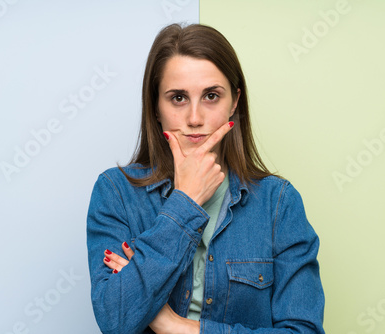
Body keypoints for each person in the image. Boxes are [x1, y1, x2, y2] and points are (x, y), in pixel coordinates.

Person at [87, 23, 325, 333]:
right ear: (156, 106)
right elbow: (115, 320)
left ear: (234, 103)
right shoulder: (116, 193)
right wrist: (184, 202)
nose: (195, 119)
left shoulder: (278, 203)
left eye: (211, 96)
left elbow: (303, 330)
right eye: (178, 98)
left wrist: (175, 325)